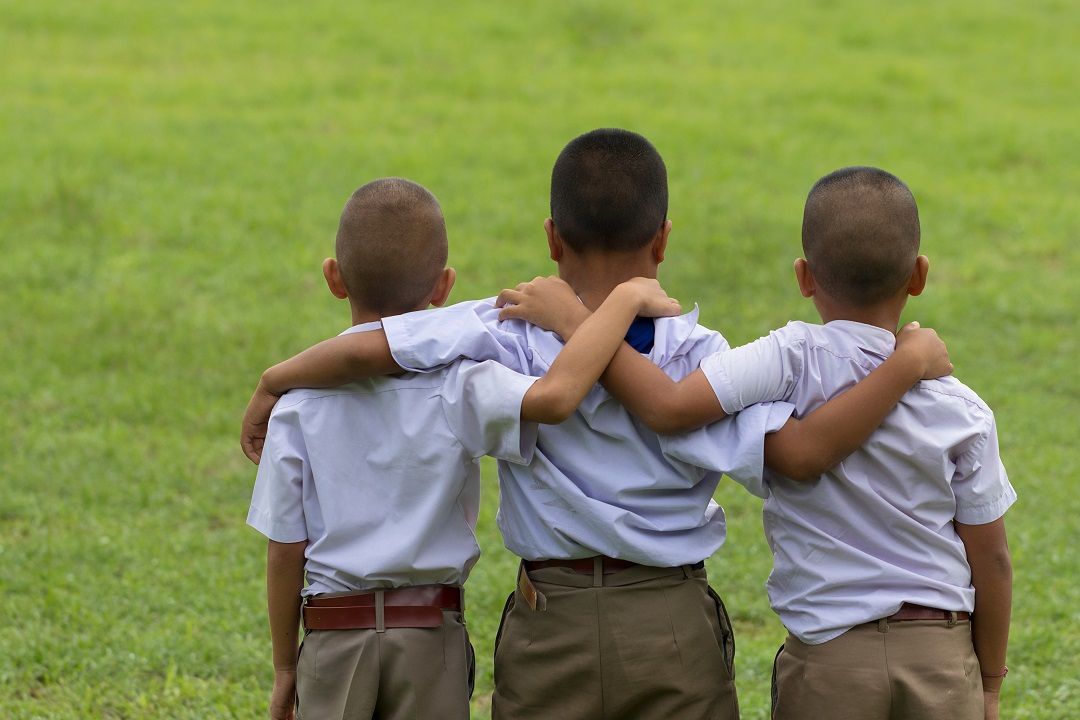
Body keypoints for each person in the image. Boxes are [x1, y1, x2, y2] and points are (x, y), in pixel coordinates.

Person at [241, 133, 952, 720]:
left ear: (552, 238)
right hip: (671, 621)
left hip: (553, 621)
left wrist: (277, 377)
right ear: (664, 240)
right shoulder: (704, 360)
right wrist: (905, 363)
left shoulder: (505, 329)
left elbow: (386, 343)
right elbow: (796, 454)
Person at [501, 166, 1015, 720]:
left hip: (829, 657)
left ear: (804, 276)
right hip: (941, 653)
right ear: (919, 275)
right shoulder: (962, 408)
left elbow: (670, 407)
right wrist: (988, 681)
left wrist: (580, 323)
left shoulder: (788, 358)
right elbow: (993, 559)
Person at [247, 177, 688, 720]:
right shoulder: (462, 384)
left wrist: (285, 669)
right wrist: (621, 303)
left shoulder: (293, 408)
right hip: (430, 632)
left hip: (333, 634)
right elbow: (556, 397)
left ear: (333, 278)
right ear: (444, 286)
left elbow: (285, 547)